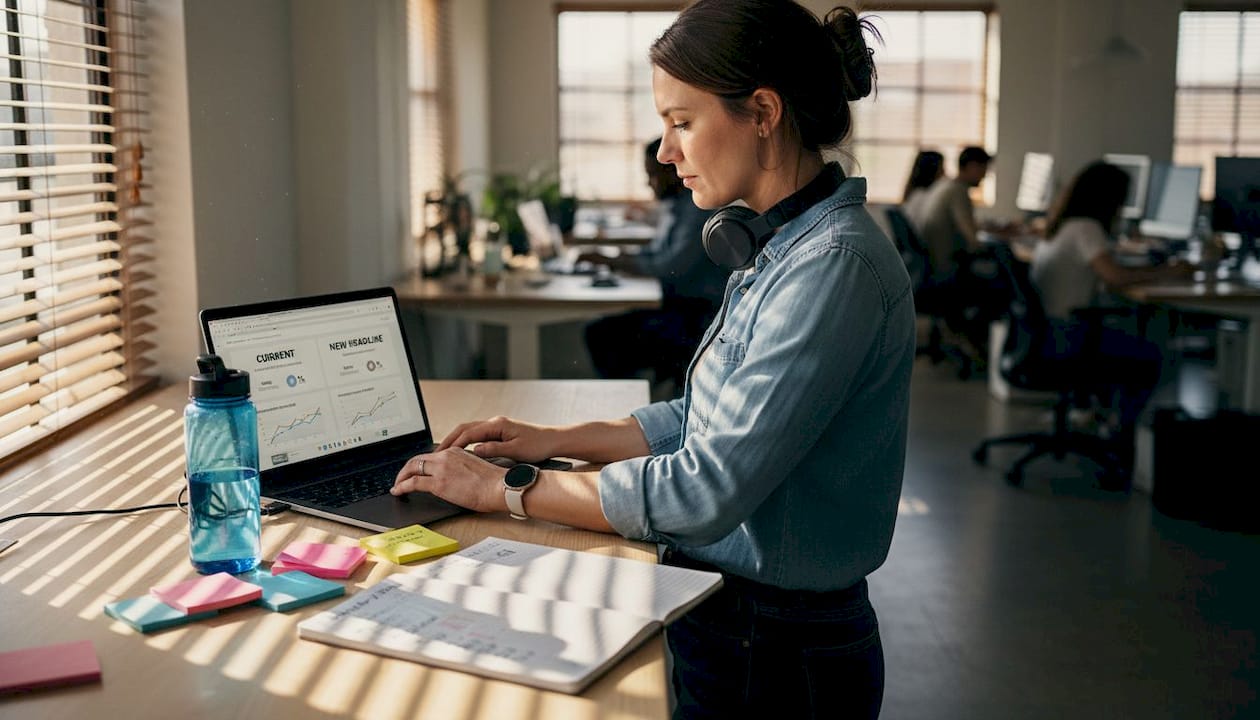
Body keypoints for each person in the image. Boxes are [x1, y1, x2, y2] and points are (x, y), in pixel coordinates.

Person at [392, 2, 913, 717]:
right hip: (738, 625)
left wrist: (503, 488)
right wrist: (553, 442)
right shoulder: (778, 245)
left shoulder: (833, 267)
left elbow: (705, 488)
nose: (665, 152)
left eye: (682, 121)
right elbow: (705, 416)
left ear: (762, 112)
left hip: (777, 650)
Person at [1031, 160, 1192, 480]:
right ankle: (1121, 434)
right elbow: (1114, 277)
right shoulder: (1086, 229)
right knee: (1157, 356)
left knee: (1130, 334)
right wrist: (1169, 272)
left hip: (1051, 332)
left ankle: (1105, 418)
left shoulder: (1061, 225)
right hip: (1071, 336)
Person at [580, 137, 727, 393]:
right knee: (601, 331)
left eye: (652, 175)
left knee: (601, 335)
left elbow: (670, 266)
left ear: (673, 170)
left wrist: (615, 261)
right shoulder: (679, 206)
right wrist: (617, 259)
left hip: (694, 317)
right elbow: (658, 253)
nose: (649, 183)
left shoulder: (696, 210)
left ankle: (625, 406)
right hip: (679, 307)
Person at [913, 146, 999, 371]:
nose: (985, 176)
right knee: (1004, 282)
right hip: (948, 272)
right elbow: (972, 240)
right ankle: (976, 343)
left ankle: (964, 334)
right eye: (984, 170)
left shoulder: (944, 186)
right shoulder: (958, 191)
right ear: (972, 167)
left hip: (932, 269)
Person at [900, 149, 944, 234]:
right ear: (932, 170)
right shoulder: (926, 197)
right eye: (942, 168)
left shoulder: (915, 194)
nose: (944, 172)